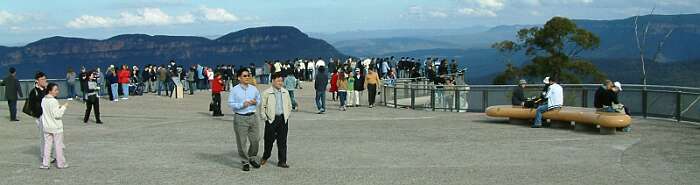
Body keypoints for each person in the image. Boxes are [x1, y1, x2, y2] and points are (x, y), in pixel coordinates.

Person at [227, 68, 262, 171]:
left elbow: (259, 99)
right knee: (242, 142)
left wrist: (256, 102)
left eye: (248, 75)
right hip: (240, 117)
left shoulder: (253, 89)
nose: (247, 77)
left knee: (255, 139)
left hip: (253, 116)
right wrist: (242, 104)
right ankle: (245, 161)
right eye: (245, 76)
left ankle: (252, 157)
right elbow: (231, 104)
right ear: (239, 78)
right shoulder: (234, 90)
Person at [260, 72, 292, 168]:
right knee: (269, 140)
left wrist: (287, 115)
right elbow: (262, 107)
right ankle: (266, 156)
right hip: (271, 119)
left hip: (283, 119)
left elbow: (289, 105)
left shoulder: (285, 92)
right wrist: (266, 118)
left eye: (281, 80)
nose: (280, 82)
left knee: (282, 141)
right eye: (278, 80)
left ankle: (282, 161)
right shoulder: (266, 93)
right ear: (273, 81)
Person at [39, 83, 68, 169]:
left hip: (47, 126)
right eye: (55, 90)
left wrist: (58, 107)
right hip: (56, 127)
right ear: (50, 90)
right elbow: (57, 115)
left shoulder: (44, 100)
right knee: (58, 146)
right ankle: (61, 163)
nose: (57, 92)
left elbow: (48, 110)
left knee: (47, 145)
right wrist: (64, 107)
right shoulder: (54, 101)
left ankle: (45, 163)